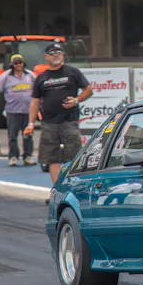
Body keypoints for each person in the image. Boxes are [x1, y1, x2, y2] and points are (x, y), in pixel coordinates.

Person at [24, 42, 94, 185]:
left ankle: (73, 185)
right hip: (49, 123)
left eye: (59, 53)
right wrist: (30, 123)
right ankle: (57, 188)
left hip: (69, 121)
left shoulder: (72, 72)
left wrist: (76, 100)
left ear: (62, 55)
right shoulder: (41, 77)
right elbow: (35, 102)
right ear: (46, 57)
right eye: (52, 53)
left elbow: (88, 90)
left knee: (74, 156)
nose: (56, 55)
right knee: (52, 158)